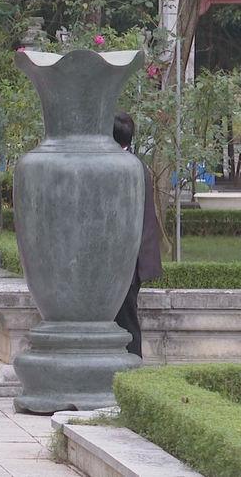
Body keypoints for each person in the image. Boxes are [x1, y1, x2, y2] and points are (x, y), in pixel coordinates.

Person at [113, 112, 162, 357]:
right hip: (130, 257)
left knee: (126, 317)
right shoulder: (133, 164)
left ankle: (132, 369)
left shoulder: (127, 168)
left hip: (128, 259)